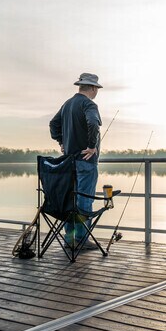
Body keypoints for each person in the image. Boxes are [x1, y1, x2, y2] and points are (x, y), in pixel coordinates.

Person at [49, 73, 103, 249]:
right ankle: (80, 239)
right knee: (84, 201)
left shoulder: (67, 104)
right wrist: (92, 145)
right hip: (86, 162)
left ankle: (69, 239)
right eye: (97, 89)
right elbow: (93, 123)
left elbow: (53, 124)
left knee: (71, 200)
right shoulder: (88, 104)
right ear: (93, 88)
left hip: (68, 163)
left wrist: (62, 143)